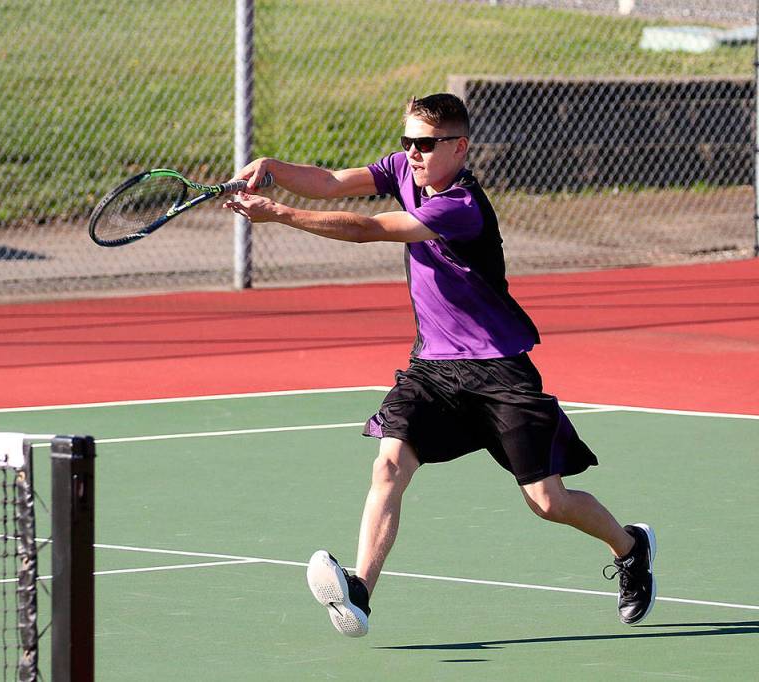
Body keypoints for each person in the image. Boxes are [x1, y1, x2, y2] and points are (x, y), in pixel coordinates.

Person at [222, 93, 656, 637]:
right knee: (388, 466)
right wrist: (274, 170)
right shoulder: (405, 169)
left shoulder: (462, 208)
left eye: (425, 144)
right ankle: (359, 593)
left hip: (500, 370)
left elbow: (369, 230)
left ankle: (631, 546)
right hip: (432, 366)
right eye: (406, 142)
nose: (413, 153)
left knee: (548, 501)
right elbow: (333, 182)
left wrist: (279, 214)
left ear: (460, 147)